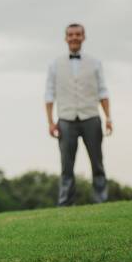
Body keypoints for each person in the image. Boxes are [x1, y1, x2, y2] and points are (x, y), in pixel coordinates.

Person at [44, 23, 113, 206]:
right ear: (66, 38)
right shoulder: (55, 64)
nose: (74, 37)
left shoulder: (95, 63)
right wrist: (50, 122)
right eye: (70, 34)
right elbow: (49, 94)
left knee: (97, 163)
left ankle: (101, 200)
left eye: (78, 34)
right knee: (66, 166)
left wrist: (108, 118)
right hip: (66, 120)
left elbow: (103, 92)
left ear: (83, 37)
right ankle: (65, 203)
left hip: (91, 117)